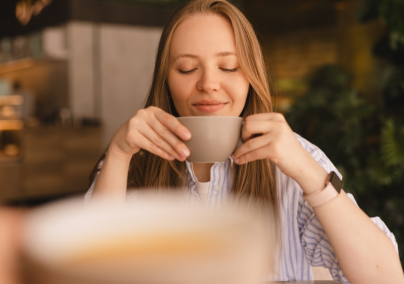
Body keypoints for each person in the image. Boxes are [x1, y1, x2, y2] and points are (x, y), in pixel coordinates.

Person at [85, 0, 404, 283]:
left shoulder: (296, 162)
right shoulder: (130, 160)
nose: (209, 84)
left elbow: (385, 277)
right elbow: (89, 272)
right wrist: (118, 152)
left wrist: (310, 174)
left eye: (229, 66)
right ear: (166, 80)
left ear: (251, 75)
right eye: (187, 68)